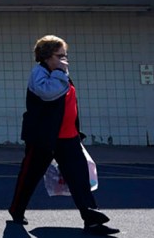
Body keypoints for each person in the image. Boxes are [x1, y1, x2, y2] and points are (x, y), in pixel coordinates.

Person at [8, 35, 119, 235]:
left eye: (65, 55)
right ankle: (17, 210)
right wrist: (60, 72)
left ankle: (91, 218)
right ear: (47, 56)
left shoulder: (61, 73)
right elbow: (48, 93)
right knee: (30, 175)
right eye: (60, 55)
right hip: (44, 137)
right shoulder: (40, 73)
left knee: (79, 177)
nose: (65, 60)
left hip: (68, 137)